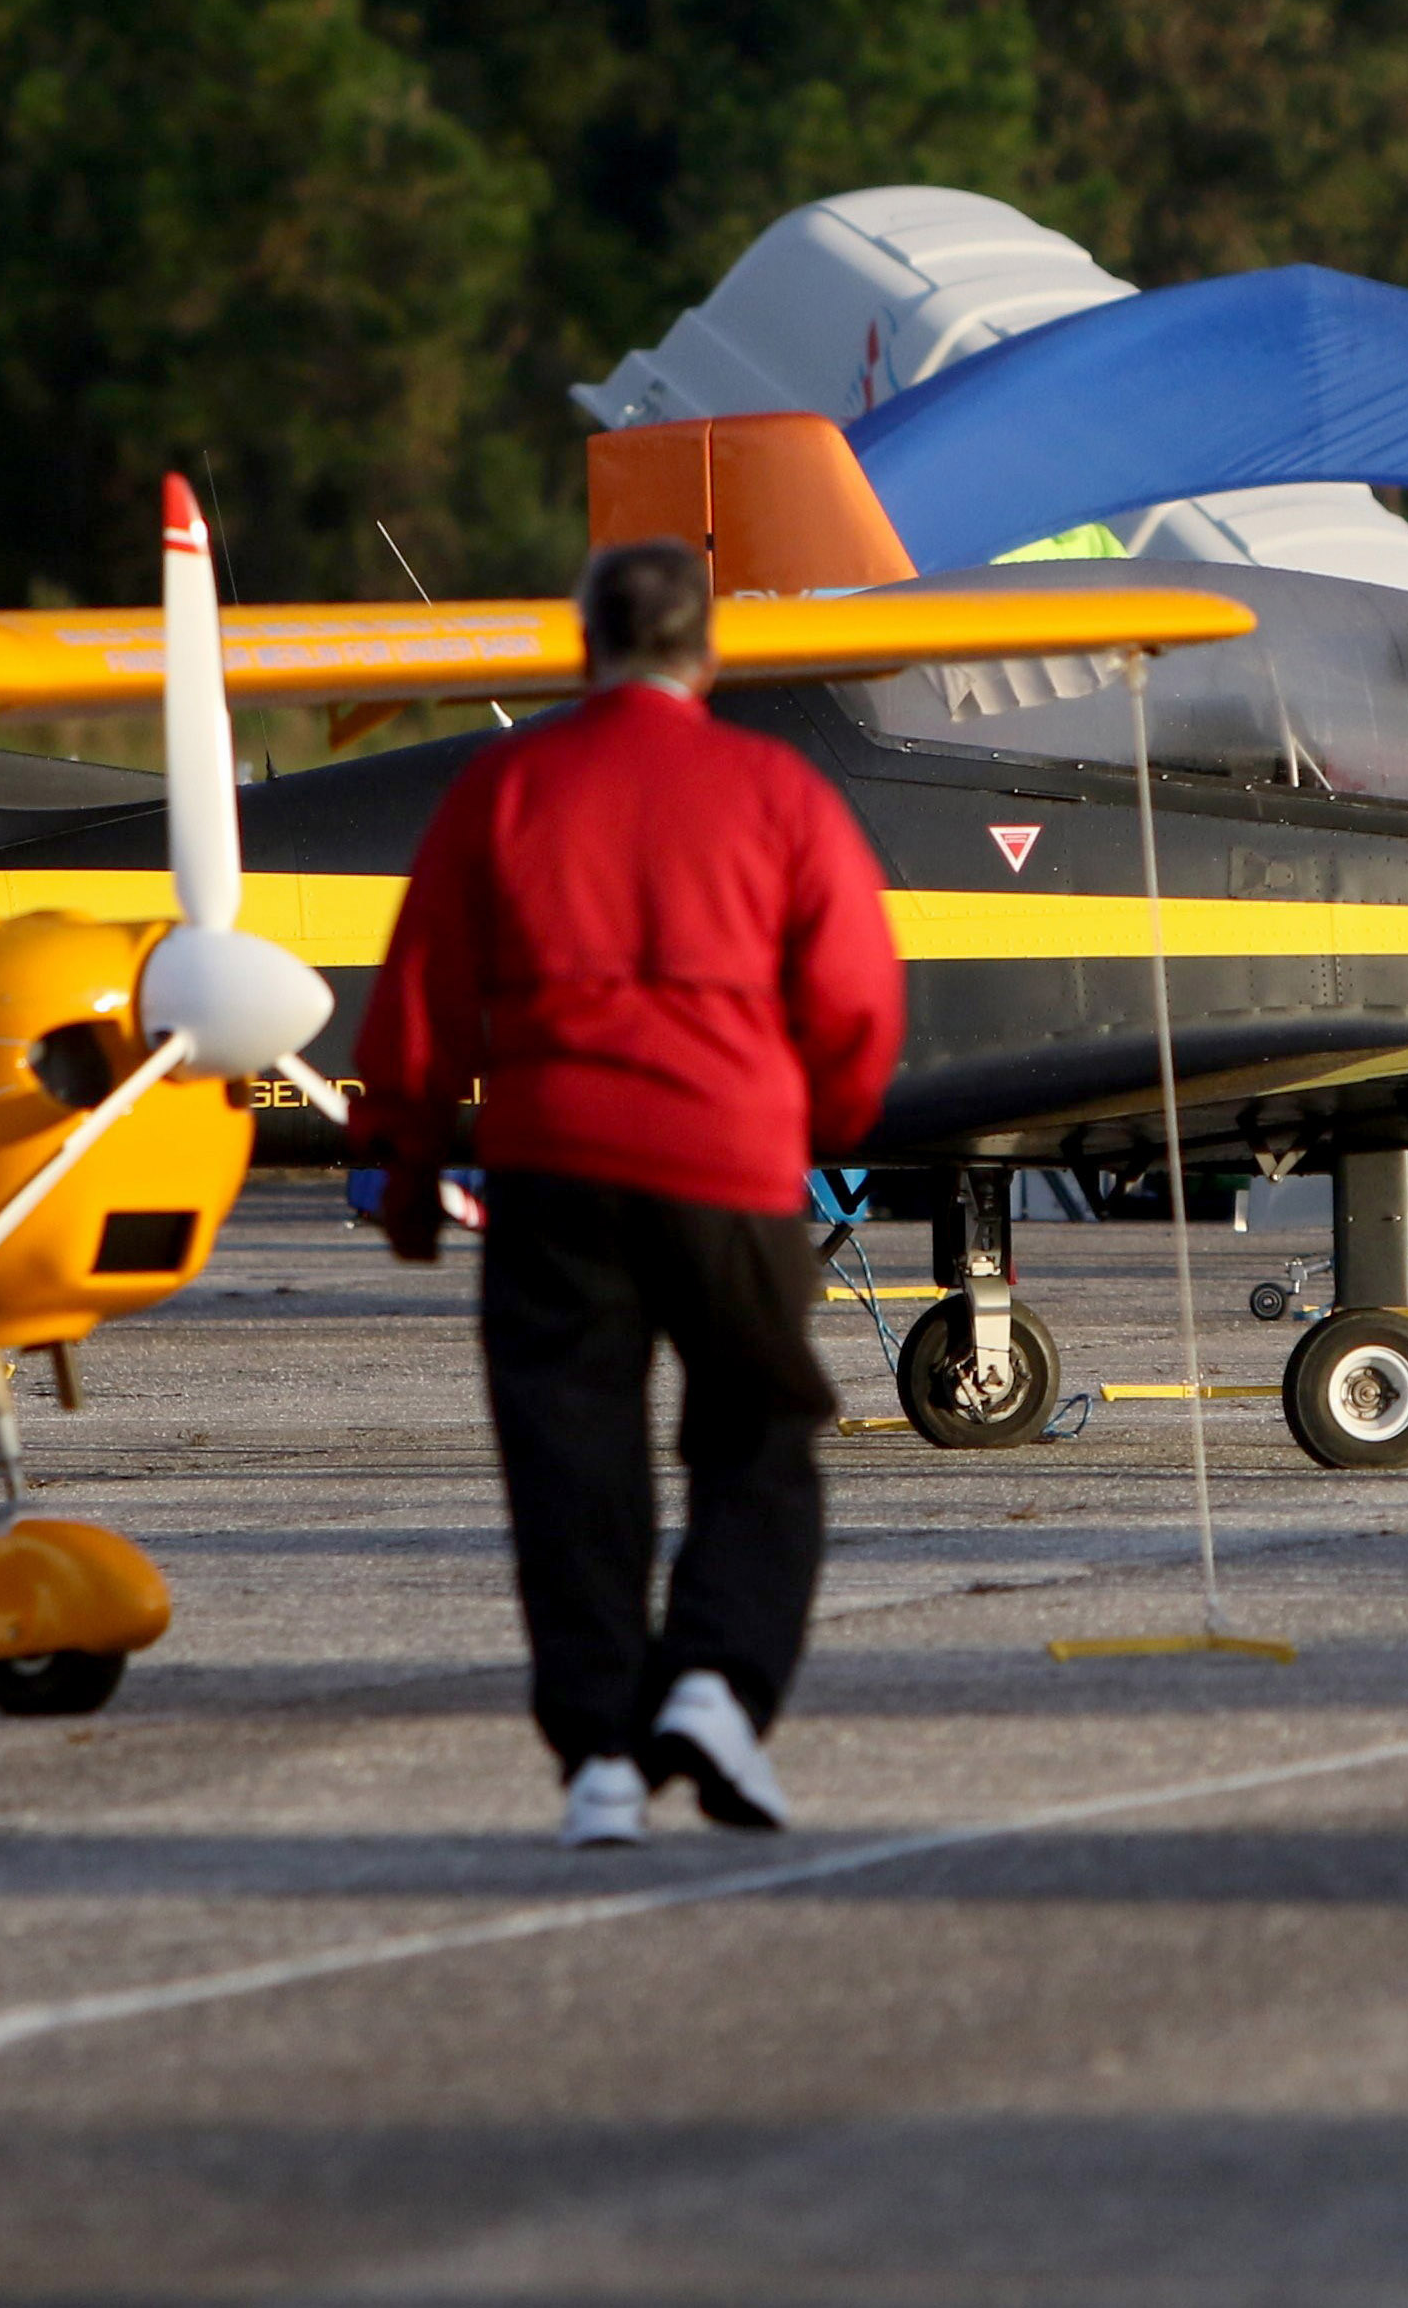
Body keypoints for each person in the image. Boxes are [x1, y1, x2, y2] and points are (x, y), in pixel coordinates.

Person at [350, 539, 906, 1847]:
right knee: (759, 1433)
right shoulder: (776, 788)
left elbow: (422, 994)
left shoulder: (507, 784)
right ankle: (717, 1680)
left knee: (571, 1457)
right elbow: (858, 994)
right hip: (732, 1160)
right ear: (708, 654)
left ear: (583, 648)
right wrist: (820, 1120)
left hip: (554, 1163)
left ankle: (599, 1753)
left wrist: (412, 1166)